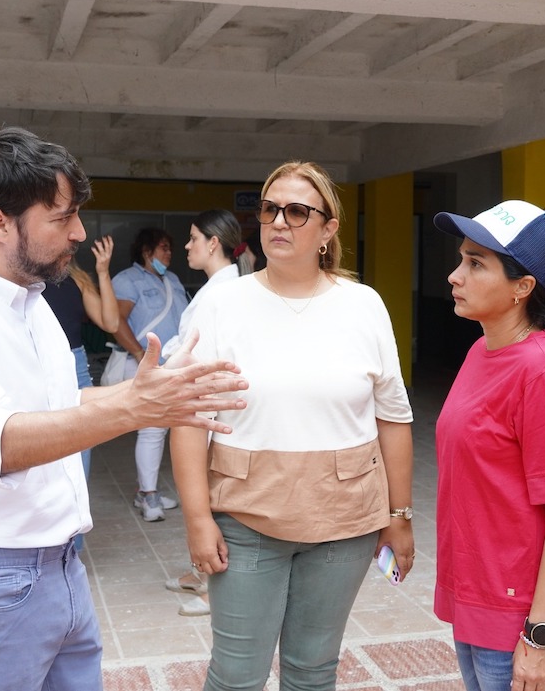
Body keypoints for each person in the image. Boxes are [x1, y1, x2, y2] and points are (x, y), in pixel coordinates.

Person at [0, 125, 247, 691]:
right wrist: (132, 407)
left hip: (60, 566)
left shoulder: (31, 303)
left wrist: (160, 397)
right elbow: (0, 443)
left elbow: (63, 404)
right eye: (62, 218)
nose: (80, 233)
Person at [170, 161, 415, 691]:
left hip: (345, 523)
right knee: (236, 675)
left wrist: (399, 516)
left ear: (328, 230)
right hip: (244, 515)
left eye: (297, 211)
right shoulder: (225, 303)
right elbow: (190, 418)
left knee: (312, 671)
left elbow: (392, 417)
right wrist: (196, 518)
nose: (279, 221)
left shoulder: (363, 305)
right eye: (269, 209)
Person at [431, 199, 545, 691]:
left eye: (476, 264)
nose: (456, 276)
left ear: (523, 288)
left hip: (518, 617)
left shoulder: (541, 371)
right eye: (461, 259)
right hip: (476, 597)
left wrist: (541, 638)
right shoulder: (482, 350)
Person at [161, 208, 253, 616]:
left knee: (212, 499)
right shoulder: (221, 286)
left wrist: (166, 363)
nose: (187, 246)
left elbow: (191, 352)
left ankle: (216, 587)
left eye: (193, 237)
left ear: (213, 243)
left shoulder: (223, 293)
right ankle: (203, 573)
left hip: (209, 406)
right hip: (203, 400)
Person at [111, 228, 189, 522]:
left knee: (162, 429)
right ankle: (148, 495)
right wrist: (137, 352)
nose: (169, 254)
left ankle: (146, 490)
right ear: (147, 252)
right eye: (164, 248)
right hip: (146, 363)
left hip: (173, 365)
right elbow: (116, 321)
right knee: (153, 430)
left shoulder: (173, 280)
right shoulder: (127, 280)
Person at [43, 236, 119, 479]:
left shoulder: (77, 280)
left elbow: (111, 322)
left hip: (76, 364)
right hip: (38, 361)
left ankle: (78, 510)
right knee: (44, 437)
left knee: (82, 438)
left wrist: (103, 272)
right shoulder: (25, 281)